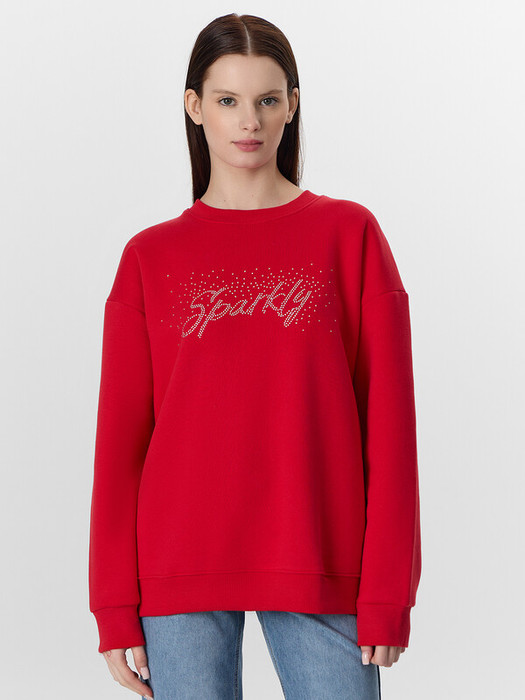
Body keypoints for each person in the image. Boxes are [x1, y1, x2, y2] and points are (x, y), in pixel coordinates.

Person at [88, 12, 422, 700]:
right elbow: (120, 448)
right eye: (227, 100)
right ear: (194, 107)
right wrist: (113, 604)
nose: (249, 121)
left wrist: (389, 588)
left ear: (292, 105)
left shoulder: (349, 236)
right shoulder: (149, 258)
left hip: (318, 554)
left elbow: (390, 429)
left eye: (268, 99)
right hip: (178, 564)